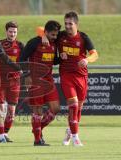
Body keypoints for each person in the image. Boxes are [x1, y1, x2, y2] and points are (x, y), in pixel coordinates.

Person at [42, 11, 99, 146]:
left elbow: (95, 54)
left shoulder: (83, 37)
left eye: (70, 24)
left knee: (78, 107)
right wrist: (43, 35)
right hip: (66, 75)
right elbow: (43, 30)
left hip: (81, 76)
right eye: (65, 23)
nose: (67, 26)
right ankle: (75, 137)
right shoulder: (60, 36)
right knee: (72, 104)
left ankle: (70, 131)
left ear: (76, 24)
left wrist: (87, 59)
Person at [20, 20, 61, 146]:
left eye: (56, 35)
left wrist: (61, 58)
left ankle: (38, 129)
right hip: (35, 81)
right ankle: (37, 139)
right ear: (46, 32)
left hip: (48, 81)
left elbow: (53, 61)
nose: (55, 37)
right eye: (53, 34)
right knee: (37, 111)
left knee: (55, 109)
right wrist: (27, 75)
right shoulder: (34, 42)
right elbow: (21, 59)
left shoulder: (54, 43)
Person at [0, 21, 24, 142]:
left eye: (15, 32)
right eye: (10, 31)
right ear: (6, 31)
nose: (12, 34)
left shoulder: (20, 46)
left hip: (15, 81)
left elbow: (25, 61)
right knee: (1, 108)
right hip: (0, 80)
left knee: (12, 111)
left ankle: (5, 134)